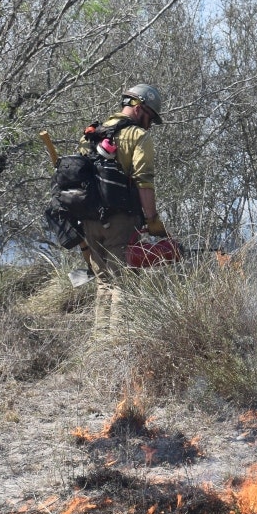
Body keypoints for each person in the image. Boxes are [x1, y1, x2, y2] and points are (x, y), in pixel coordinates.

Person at [80, 84, 171, 331]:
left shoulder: (91, 134)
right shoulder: (138, 137)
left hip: (89, 221)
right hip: (121, 221)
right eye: (149, 117)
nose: (149, 124)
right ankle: (118, 345)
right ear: (139, 108)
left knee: (103, 283)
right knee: (123, 282)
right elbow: (144, 181)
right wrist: (152, 220)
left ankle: (100, 342)